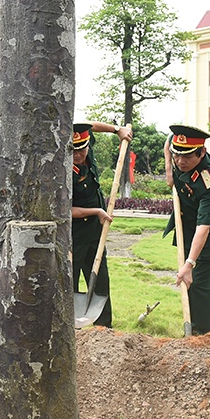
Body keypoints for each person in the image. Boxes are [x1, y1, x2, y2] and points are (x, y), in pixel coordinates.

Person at [163, 125, 210, 335]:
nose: (180, 161)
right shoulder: (178, 153)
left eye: (187, 157)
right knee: (193, 282)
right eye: (177, 156)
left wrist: (189, 264)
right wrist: (169, 172)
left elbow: (204, 228)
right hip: (190, 223)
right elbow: (168, 144)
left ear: (202, 153)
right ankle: (195, 330)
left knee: (200, 283)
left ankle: (209, 337)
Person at [70, 122, 132, 328]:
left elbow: (90, 125)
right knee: (69, 281)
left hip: (96, 234)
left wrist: (117, 130)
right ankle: (69, 327)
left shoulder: (88, 154)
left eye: (82, 147)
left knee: (100, 281)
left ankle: (104, 329)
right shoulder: (64, 171)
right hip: (73, 235)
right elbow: (63, 211)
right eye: (74, 149)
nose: (78, 154)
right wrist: (96, 211)